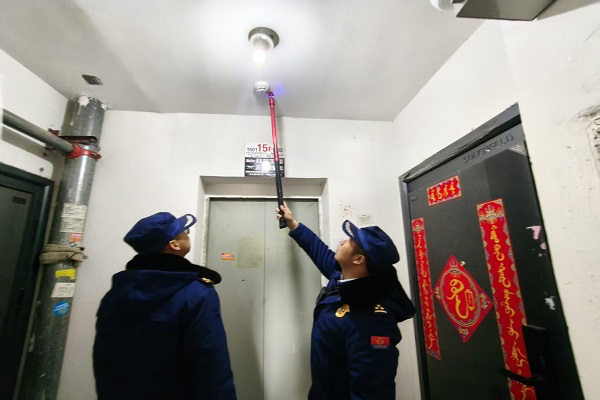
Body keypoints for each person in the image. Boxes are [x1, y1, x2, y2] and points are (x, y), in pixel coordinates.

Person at [276, 203, 416, 400]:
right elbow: (318, 250)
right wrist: (292, 223)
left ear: (358, 259)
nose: (342, 241)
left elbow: (372, 390)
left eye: (349, 241)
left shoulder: (373, 320)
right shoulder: (343, 277)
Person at [93, 212, 236, 400]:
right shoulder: (196, 293)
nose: (188, 234)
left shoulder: (116, 293)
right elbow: (210, 364)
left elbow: (103, 359)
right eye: (184, 232)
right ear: (174, 244)